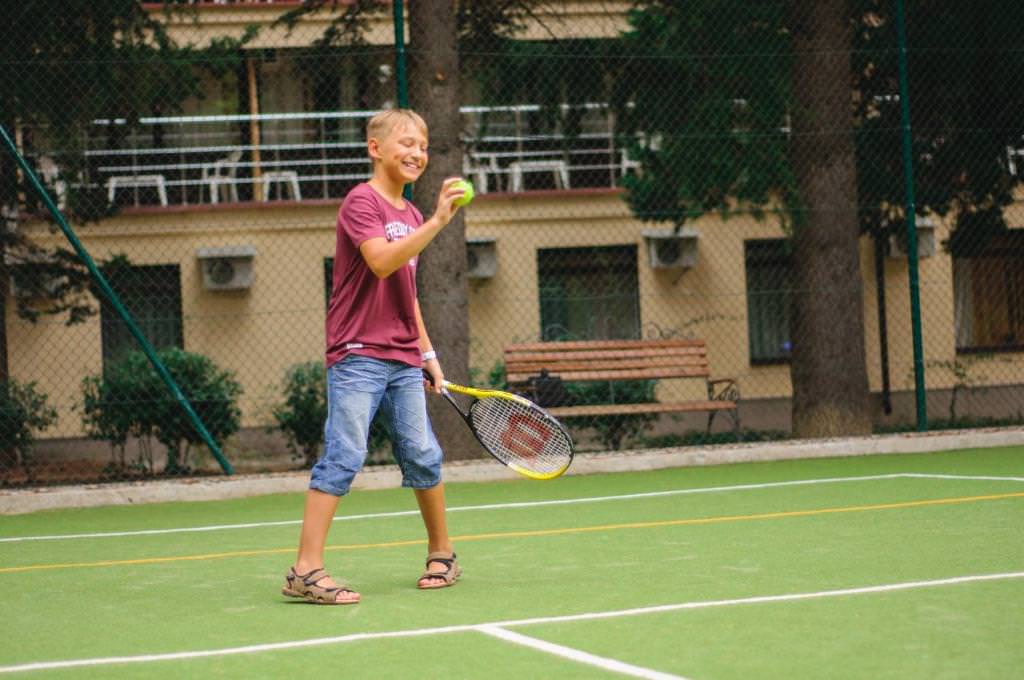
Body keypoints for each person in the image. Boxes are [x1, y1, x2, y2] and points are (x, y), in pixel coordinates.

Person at [281, 109, 468, 605]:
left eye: (423, 145)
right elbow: (383, 262)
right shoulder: (360, 203)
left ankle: (443, 554)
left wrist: (428, 353)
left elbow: (407, 292)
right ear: (375, 148)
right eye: (406, 143)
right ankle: (305, 570)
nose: (417, 153)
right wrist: (439, 221)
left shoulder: (411, 217)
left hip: (404, 357)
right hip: (357, 353)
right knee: (344, 455)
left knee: (422, 453)